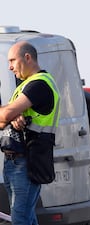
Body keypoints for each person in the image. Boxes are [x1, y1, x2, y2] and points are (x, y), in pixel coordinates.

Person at [0, 41, 60, 225]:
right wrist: (9, 117)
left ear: (27, 57)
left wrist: (8, 115)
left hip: (26, 161)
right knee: (25, 217)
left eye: (12, 60)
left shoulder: (39, 84)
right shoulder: (25, 86)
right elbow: (3, 121)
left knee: (20, 219)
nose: (9, 67)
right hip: (14, 161)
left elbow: (5, 114)